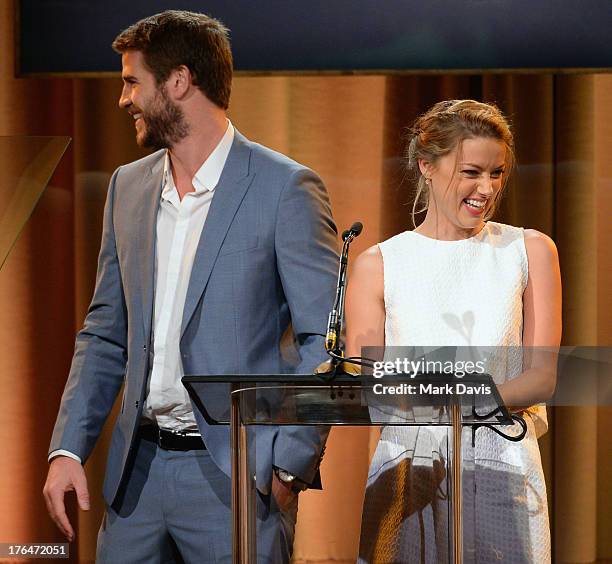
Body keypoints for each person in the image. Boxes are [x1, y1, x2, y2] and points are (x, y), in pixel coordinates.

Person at [43, 10, 339, 563]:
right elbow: (105, 334)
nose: (123, 99)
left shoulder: (285, 188)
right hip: (136, 477)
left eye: (132, 81)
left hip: (235, 478)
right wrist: (66, 448)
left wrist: (287, 463)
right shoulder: (127, 187)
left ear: (179, 81)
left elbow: (324, 343)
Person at [346, 100, 561, 563]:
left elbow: (542, 376)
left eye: (497, 173)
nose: (487, 188)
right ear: (427, 165)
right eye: (472, 172)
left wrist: (462, 404)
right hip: (409, 464)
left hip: (500, 457)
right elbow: (368, 383)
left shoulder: (529, 250)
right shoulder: (379, 264)